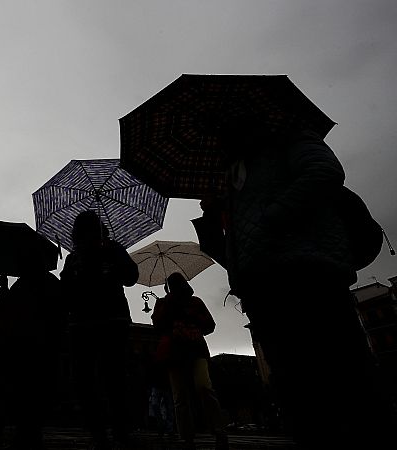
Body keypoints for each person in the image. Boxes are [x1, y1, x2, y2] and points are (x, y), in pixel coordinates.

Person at [200, 119, 397, 448]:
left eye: (226, 131)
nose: (220, 141)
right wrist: (214, 218)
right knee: (294, 383)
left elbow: (324, 173)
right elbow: (241, 241)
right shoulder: (233, 175)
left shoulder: (290, 139)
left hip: (310, 272)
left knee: (344, 372)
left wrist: (274, 214)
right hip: (263, 287)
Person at [60, 210, 139, 450]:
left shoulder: (112, 250)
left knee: (109, 377)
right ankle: (104, 430)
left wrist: (111, 266)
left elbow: (130, 277)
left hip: (107, 323)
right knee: (95, 379)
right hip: (89, 324)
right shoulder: (75, 258)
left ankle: (114, 430)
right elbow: (66, 292)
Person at [0, 258, 66, 449]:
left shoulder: (21, 285)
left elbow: (8, 314)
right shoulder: (51, 283)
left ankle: (25, 427)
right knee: (38, 388)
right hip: (44, 343)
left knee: (24, 388)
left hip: (24, 343)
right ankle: (32, 427)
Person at [151, 272, 227, 450]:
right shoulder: (163, 303)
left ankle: (218, 431)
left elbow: (210, 325)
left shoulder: (195, 302)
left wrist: (192, 316)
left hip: (196, 350)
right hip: (174, 354)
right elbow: (158, 326)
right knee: (180, 397)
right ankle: (187, 437)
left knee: (204, 388)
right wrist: (169, 304)